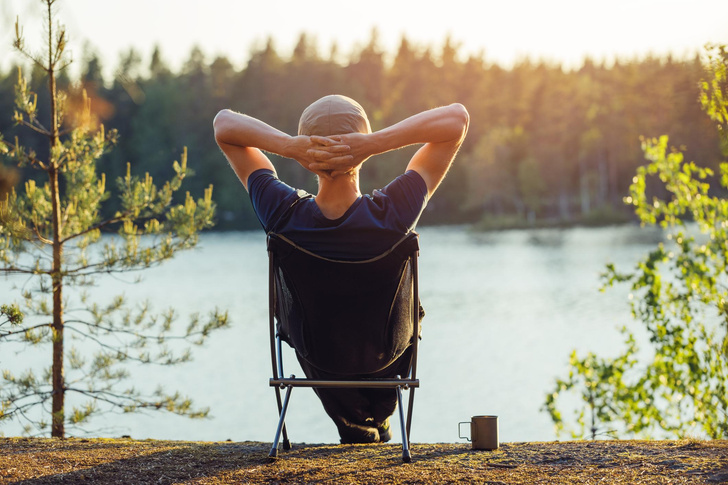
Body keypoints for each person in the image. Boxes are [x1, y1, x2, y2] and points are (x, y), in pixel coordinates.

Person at [213, 95, 469, 443]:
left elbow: (224, 125)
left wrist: (289, 147)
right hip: (387, 358)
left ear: (307, 160)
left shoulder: (283, 214)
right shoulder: (393, 214)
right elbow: (457, 119)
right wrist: (375, 143)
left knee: (318, 330)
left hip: (321, 361)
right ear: (361, 152)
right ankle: (375, 417)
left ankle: (353, 421)